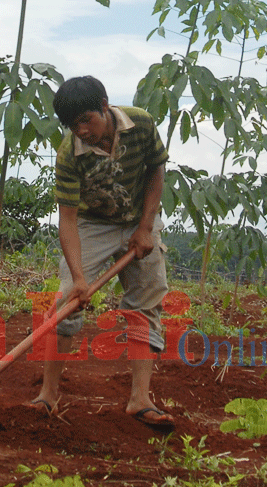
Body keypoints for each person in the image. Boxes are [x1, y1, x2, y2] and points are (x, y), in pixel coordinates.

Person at [28, 75, 175, 429]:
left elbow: (157, 168)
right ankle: (47, 395)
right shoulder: (69, 154)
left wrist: (145, 228)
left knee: (145, 303)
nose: (80, 131)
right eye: (71, 125)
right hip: (92, 224)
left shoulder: (140, 122)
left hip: (138, 217)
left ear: (105, 106)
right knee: (65, 302)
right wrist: (79, 279)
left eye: (85, 120)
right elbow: (68, 220)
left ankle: (139, 399)